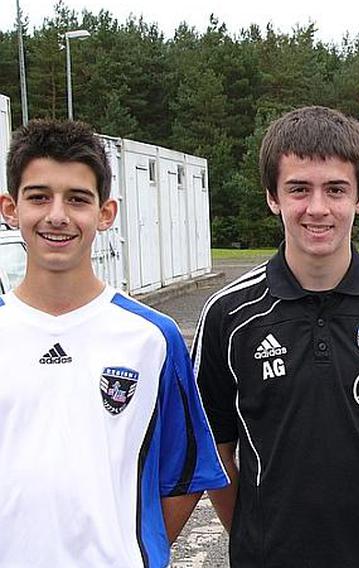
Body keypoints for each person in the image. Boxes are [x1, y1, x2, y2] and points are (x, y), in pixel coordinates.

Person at [193, 106, 359, 567]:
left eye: (335, 189)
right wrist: (256, 534)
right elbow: (217, 453)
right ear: (273, 196)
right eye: (298, 189)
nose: (317, 208)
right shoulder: (228, 316)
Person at [0, 119, 227, 567]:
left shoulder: (152, 338)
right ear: (10, 208)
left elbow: (184, 476)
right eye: (39, 197)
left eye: (78, 199)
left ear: (106, 214)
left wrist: (132, 550)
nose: (57, 215)